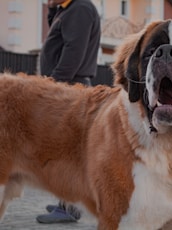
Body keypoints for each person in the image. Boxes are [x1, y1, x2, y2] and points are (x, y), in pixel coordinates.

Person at [37, 0, 101, 224]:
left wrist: (53, 86)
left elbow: (74, 50)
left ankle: (70, 208)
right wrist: (54, 9)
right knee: (66, 149)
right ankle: (67, 203)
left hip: (70, 87)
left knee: (69, 152)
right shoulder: (68, 9)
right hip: (68, 87)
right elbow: (56, 38)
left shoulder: (80, 8)